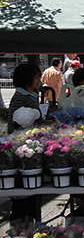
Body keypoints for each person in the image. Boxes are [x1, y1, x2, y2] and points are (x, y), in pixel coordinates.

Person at [8, 64, 44, 222]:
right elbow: (15, 124)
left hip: (30, 144)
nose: (39, 80)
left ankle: (31, 222)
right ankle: (20, 224)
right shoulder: (20, 97)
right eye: (37, 77)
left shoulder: (31, 95)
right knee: (23, 193)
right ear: (27, 79)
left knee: (32, 195)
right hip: (21, 147)